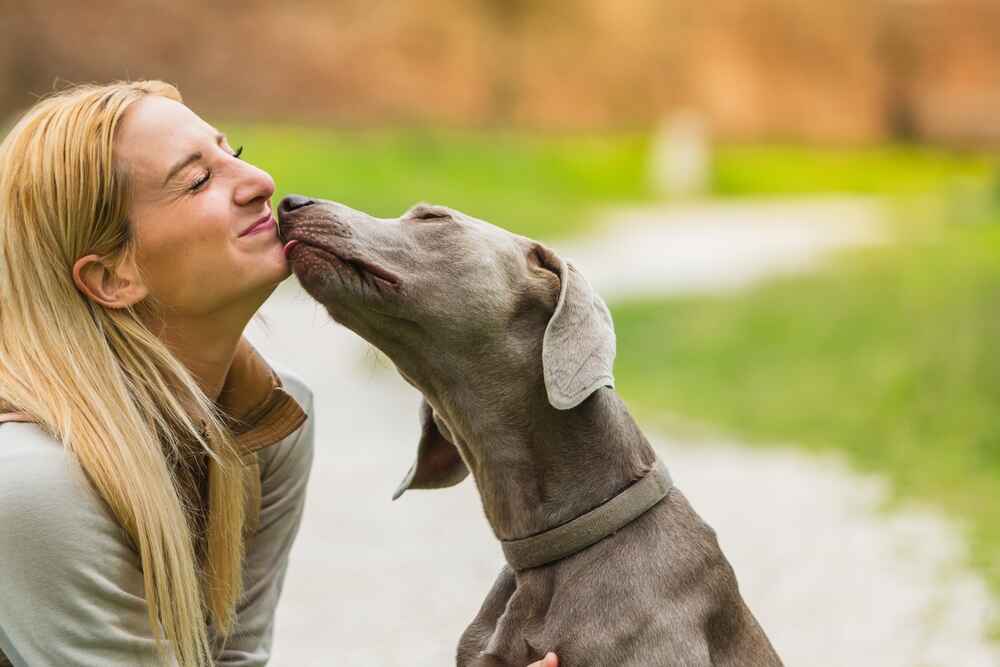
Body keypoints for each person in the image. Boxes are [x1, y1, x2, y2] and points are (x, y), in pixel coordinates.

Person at [0, 81, 558, 667]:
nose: (261, 181)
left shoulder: (269, 422)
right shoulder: (33, 484)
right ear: (113, 278)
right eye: (197, 181)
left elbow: (235, 660)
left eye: (231, 153)